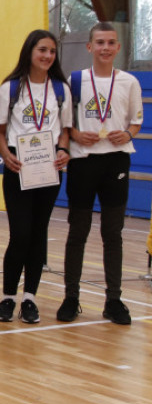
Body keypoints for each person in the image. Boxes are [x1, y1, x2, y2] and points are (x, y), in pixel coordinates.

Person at [56, 22, 142, 325]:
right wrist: (77, 135)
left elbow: (135, 122)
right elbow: (65, 124)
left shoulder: (129, 81)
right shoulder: (75, 80)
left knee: (112, 233)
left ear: (118, 48)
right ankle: (71, 297)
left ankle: (114, 300)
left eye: (111, 42)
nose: (106, 47)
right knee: (77, 231)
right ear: (89, 47)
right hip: (83, 161)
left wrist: (128, 135)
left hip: (116, 161)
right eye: (100, 42)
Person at [0, 30, 72, 325]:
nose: (47, 56)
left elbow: (65, 130)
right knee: (20, 233)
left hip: (48, 165)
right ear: (29, 52)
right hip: (19, 165)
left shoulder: (61, 89)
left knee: (39, 234)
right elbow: (0, 133)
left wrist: (63, 149)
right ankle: (8, 297)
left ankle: (30, 299)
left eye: (52, 51)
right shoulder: (10, 89)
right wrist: (5, 155)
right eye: (42, 50)